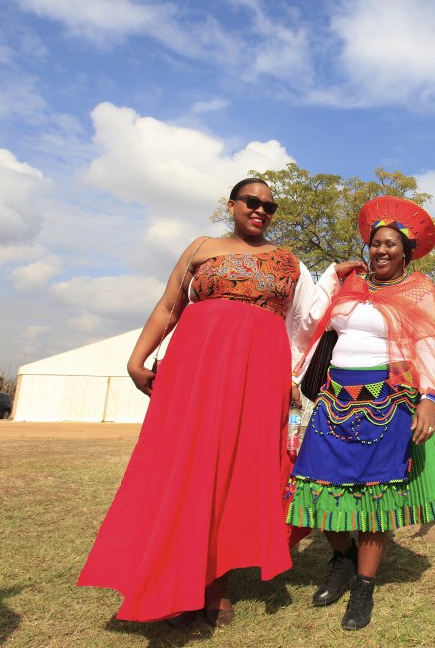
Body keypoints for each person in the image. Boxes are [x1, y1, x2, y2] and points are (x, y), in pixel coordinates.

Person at [78, 178, 360, 627]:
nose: (261, 210)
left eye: (270, 205)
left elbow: (306, 319)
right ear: (231, 204)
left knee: (235, 469)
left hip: (257, 373)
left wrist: (332, 275)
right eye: (252, 201)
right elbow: (169, 306)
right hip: (196, 366)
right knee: (186, 466)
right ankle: (172, 579)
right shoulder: (202, 248)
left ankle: (217, 583)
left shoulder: (288, 261)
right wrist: (136, 358)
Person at [286, 196, 435, 631]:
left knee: (375, 494)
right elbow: (310, 319)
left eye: (390, 245)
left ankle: (363, 587)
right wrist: (330, 274)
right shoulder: (350, 284)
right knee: (315, 485)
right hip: (333, 400)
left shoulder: (419, 288)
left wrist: (427, 398)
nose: (380, 251)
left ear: (406, 252)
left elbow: (426, 344)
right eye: (375, 243)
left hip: (387, 402)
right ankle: (341, 558)